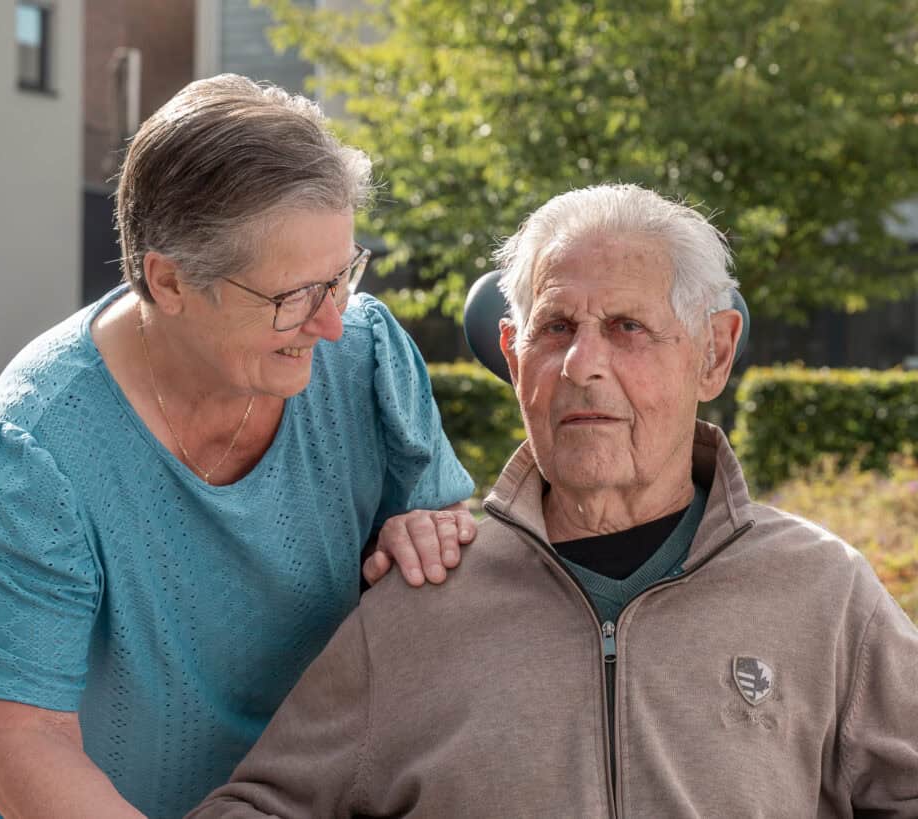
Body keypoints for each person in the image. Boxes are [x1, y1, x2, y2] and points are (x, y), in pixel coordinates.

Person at [187, 184, 918, 818]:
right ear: (512, 355)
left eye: (628, 328)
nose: (582, 364)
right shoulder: (420, 603)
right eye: (556, 328)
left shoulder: (823, 591)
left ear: (714, 354)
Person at [0, 74, 476, 819]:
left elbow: (450, 561)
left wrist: (424, 532)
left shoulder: (365, 355)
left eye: (341, 276)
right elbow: (22, 734)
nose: (331, 323)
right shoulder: (40, 442)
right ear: (170, 281)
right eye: (292, 297)